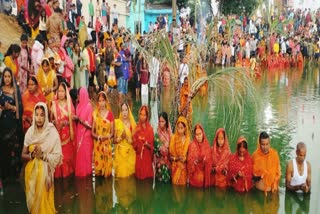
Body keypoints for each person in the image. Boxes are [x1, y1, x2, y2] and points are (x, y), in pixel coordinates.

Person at [21, 102, 62, 214]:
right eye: (37, 114)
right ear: (34, 115)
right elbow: (22, 155)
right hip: (31, 175)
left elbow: (57, 156)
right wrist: (32, 155)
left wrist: (43, 156)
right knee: (35, 207)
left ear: (46, 116)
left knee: (45, 205)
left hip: (46, 175)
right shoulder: (30, 132)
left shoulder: (51, 132)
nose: (39, 118)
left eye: (42, 115)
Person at [0, 68, 23, 195]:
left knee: (14, 151)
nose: (7, 79)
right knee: (4, 151)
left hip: (13, 126)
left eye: (9, 76)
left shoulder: (15, 91)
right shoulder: (0, 91)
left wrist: (12, 107)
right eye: (5, 76)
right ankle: (5, 177)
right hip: (2, 126)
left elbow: (20, 108)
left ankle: (14, 177)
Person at [51, 82, 76, 178]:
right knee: (58, 158)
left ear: (66, 92)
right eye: (59, 91)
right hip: (57, 136)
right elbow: (50, 120)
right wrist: (55, 123)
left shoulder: (69, 105)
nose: (60, 93)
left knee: (67, 158)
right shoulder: (53, 104)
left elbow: (73, 120)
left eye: (62, 91)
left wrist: (66, 123)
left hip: (67, 136)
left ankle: (68, 179)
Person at [91, 91, 114, 177]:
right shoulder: (95, 114)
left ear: (106, 101)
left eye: (103, 100)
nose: (101, 103)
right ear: (97, 102)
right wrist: (99, 137)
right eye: (99, 101)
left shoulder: (110, 114)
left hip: (107, 146)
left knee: (107, 174)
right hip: (98, 145)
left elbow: (112, 132)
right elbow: (92, 132)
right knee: (98, 173)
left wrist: (107, 136)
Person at [252, 131, 281, 195]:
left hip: (272, 192)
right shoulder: (255, 156)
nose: (265, 147)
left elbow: (278, 172)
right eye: (263, 144)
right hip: (258, 194)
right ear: (259, 144)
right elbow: (252, 177)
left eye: (267, 144)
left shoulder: (274, 155)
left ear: (269, 143)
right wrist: (260, 176)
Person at [74, 87, 93, 177]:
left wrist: (79, 120)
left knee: (86, 156)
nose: (78, 97)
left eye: (79, 95)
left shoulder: (89, 107)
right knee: (80, 156)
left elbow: (90, 125)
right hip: (79, 135)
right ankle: (81, 175)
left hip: (86, 137)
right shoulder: (77, 106)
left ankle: (87, 174)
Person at [113, 102, 136, 178]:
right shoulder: (117, 123)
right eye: (122, 110)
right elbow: (114, 141)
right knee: (121, 179)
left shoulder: (132, 124)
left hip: (130, 154)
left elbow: (134, 142)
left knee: (130, 178)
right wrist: (120, 138)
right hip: (120, 155)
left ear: (128, 111)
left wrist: (126, 138)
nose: (124, 112)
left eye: (126, 110)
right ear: (120, 112)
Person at [132, 105, 154, 180]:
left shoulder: (150, 129)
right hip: (139, 159)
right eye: (141, 114)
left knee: (147, 183)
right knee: (139, 182)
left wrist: (146, 144)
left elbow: (152, 147)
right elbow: (134, 146)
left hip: (147, 159)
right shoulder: (136, 129)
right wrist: (138, 142)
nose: (142, 117)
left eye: (144, 115)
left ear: (147, 116)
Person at [169, 116, 190, 185]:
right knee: (175, 188)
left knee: (183, 190)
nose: (180, 130)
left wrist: (185, 158)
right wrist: (177, 158)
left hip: (184, 168)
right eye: (178, 128)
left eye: (182, 128)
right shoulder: (173, 138)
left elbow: (189, 155)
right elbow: (170, 157)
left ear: (185, 128)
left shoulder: (187, 139)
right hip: (175, 167)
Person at [154, 112, 172, 183]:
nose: (161, 123)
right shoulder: (157, 134)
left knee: (167, 182)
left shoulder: (169, 134)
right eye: (160, 121)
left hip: (168, 163)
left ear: (166, 122)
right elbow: (156, 149)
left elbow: (172, 148)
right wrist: (164, 149)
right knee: (161, 184)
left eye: (163, 121)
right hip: (160, 164)